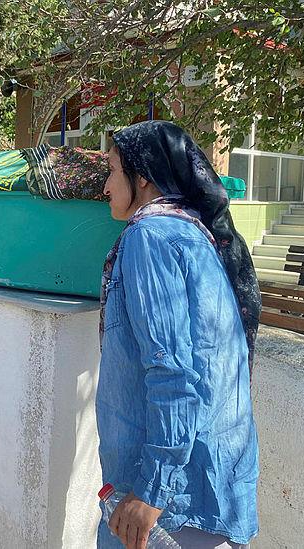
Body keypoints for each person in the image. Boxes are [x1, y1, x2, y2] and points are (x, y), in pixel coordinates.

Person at [96, 121, 260, 549]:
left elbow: (172, 372)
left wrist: (152, 491)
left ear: (143, 177)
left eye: (113, 171)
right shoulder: (192, 233)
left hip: (166, 508)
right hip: (209, 490)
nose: (106, 186)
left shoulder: (149, 237)